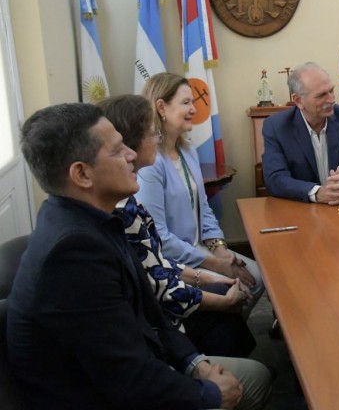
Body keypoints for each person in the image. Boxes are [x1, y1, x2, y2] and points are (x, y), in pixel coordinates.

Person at [8, 103, 271, 409]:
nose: (131, 155)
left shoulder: (95, 218)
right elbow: (127, 377)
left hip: (139, 366)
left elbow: (151, 312)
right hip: (103, 396)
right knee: (253, 381)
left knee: (253, 373)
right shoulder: (71, 254)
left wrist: (195, 363)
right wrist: (209, 394)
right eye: (117, 150)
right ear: (81, 174)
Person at [100, 94, 256, 358]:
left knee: (240, 285)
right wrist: (218, 291)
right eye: (153, 134)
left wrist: (216, 257)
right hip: (160, 324)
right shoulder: (122, 207)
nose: (193, 109)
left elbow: (158, 260)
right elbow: (160, 282)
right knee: (230, 299)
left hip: (180, 267)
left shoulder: (182, 155)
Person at [136, 73, 264, 308]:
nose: (194, 109)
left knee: (257, 276)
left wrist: (221, 250)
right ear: (161, 107)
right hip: (171, 260)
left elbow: (203, 208)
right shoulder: (151, 163)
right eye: (186, 102)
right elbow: (159, 237)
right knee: (237, 286)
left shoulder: (187, 150)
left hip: (200, 250)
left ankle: (227, 325)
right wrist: (214, 264)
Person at [262, 61, 339, 204]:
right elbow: (275, 179)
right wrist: (317, 193)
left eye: (331, 91)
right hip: (301, 210)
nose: (331, 99)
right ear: (298, 100)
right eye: (321, 95)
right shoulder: (277, 127)